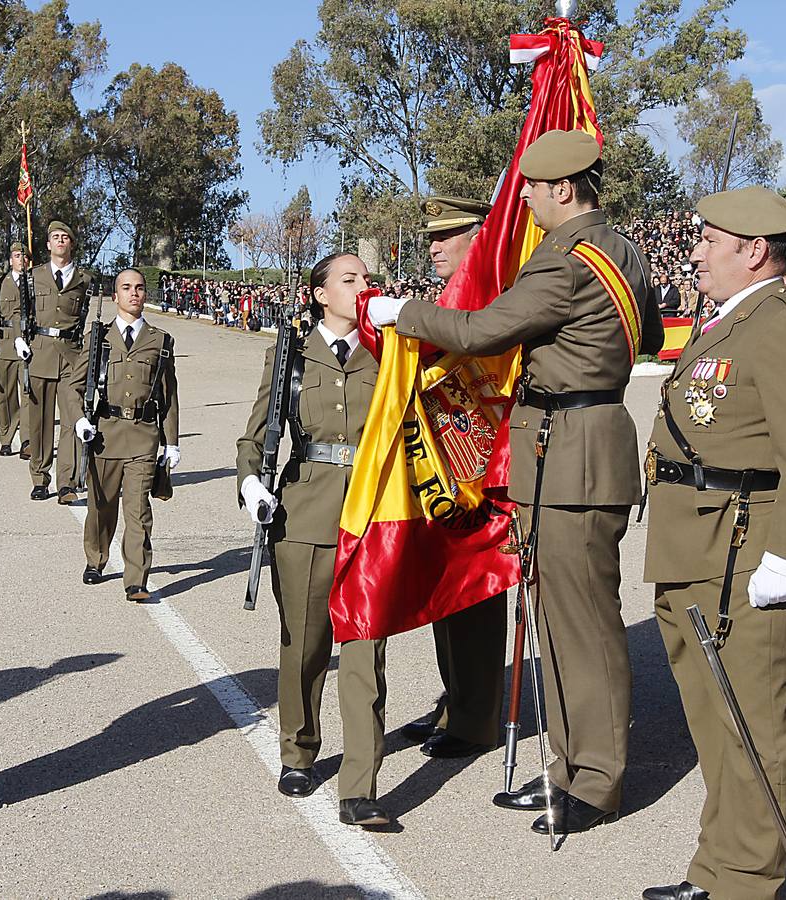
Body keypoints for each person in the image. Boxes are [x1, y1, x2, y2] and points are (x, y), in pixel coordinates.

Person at [367, 129, 664, 835]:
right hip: (577, 450)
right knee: (564, 627)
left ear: (563, 189)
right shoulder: (620, 249)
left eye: (530, 189)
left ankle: (592, 781)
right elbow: (647, 334)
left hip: (571, 459)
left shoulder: (562, 262)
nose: (523, 201)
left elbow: (480, 331)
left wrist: (399, 313)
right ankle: (571, 764)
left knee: (581, 630)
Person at [641, 187, 786, 900]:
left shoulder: (783, 326)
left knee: (751, 722)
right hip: (696, 545)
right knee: (717, 723)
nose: (693, 251)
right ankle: (719, 869)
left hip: (742, 552)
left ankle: (745, 883)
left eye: (708, 240)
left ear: (754, 251)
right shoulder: (730, 322)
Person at [238, 252, 392, 826]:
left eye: (365, 279)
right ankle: (298, 750)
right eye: (348, 280)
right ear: (321, 294)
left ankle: (360, 783)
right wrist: (252, 481)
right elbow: (257, 432)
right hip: (303, 514)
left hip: (371, 515)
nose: (361, 287)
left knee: (365, 654)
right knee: (304, 645)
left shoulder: (386, 352)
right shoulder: (291, 354)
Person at [394, 195, 509, 760]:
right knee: (449, 593)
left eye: (448, 236)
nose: (434, 247)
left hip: (478, 468)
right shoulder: (450, 297)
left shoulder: (492, 297)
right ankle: (456, 699)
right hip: (441, 463)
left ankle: (477, 718)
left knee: (476, 591)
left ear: (478, 238)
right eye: (431, 238)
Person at [71, 268, 179, 601]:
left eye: (140, 288)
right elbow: (72, 386)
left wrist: (171, 442)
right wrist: (78, 419)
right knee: (101, 507)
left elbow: (169, 394)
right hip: (104, 434)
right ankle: (96, 558)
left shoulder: (160, 341)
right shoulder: (99, 338)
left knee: (138, 510)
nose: (134, 293)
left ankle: (136, 579)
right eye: (126, 288)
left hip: (143, 436)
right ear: (115, 296)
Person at [17, 221, 89, 503]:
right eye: (55, 237)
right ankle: (39, 477)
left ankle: (67, 482)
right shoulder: (32, 278)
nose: (60, 241)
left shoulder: (84, 280)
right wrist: (20, 340)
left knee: (72, 420)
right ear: (48, 245)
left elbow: (86, 318)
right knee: (40, 421)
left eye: (65, 237)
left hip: (72, 357)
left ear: (71, 244)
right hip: (40, 353)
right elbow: (25, 315)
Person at [0, 243, 27, 455]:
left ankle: (27, 440)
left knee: (29, 393)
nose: (21, 260)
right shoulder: (1, 283)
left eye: (24, 256)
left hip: (28, 343)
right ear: (11, 260)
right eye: (17, 256)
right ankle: (7, 437)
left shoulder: (34, 283)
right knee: (6, 395)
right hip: (5, 343)